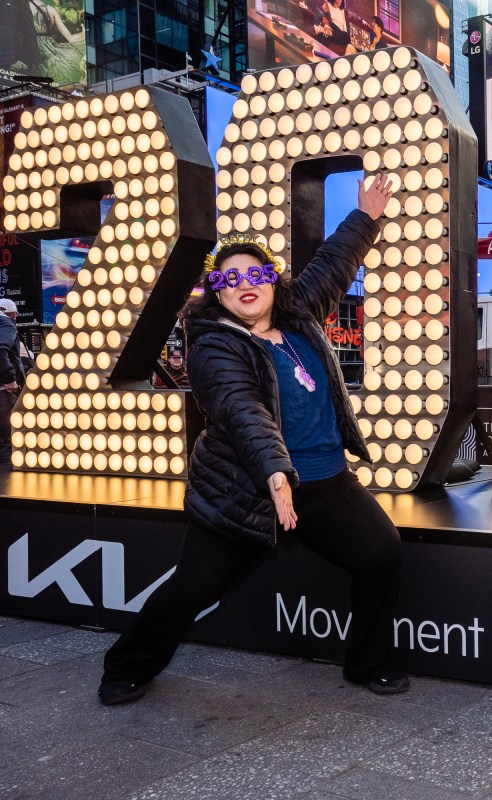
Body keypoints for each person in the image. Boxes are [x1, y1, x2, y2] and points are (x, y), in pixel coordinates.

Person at [98, 174, 407, 706]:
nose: (245, 282)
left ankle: (368, 663)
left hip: (326, 485)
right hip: (246, 489)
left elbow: (333, 264)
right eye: (229, 277)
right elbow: (242, 412)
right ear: (216, 292)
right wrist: (274, 474)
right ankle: (127, 664)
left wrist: (366, 217)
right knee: (192, 590)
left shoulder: (299, 316)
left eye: (256, 272)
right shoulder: (213, 345)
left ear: (273, 280)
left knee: (381, 551)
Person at [0, 299, 24, 470]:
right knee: (9, 439)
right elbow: (1, 350)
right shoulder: (6, 324)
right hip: (3, 391)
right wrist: (10, 379)